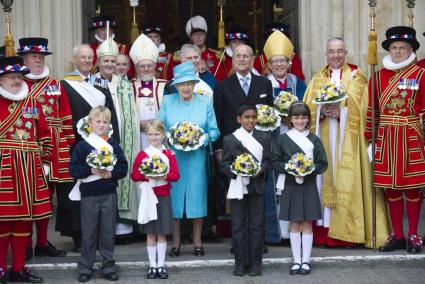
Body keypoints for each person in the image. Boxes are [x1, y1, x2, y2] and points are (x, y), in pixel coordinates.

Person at [303, 37, 389, 248]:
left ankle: (349, 231)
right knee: (324, 181)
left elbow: (366, 109)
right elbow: (306, 109)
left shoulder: (357, 77)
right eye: (331, 51)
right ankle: (323, 233)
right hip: (323, 139)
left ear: (346, 52)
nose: (335, 55)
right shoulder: (317, 79)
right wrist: (320, 111)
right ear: (326, 54)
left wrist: (341, 112)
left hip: (348, 142)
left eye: (340, 51)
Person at [365, 26, 425, 253]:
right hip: (387, 138)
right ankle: (398, 236)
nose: (398, 51)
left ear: (410, 49)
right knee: (390, 190)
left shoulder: (420, 74)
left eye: (402, 47)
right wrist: (370, 139)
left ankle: (413, 236)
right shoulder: (378, 77)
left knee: (412, 189)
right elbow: (372, 111)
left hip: (411, 137)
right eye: (394, 47)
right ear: (388, 50)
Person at [58, 44, 119, 252]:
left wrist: (113, 143)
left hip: (101, 143)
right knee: (78, 189)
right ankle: (78, 237)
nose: (86, 61)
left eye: (89, 57)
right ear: (74, 60)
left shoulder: (100, 84)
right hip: (76, 145)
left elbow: (110, 116)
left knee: (99, 188)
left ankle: (102, 238)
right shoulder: (64, 85)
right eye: (82, 57)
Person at [158, 61, 220, 257]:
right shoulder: (168, 101)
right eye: (181, 84)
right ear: (176, 85)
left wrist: (202, 139)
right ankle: (175, 242)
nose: (185, 87)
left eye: (189, 83)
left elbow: (215, 131)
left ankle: (197, 241)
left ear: (195, 84)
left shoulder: (205, 102)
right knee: (175, 199)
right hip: (174, 159)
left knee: (197, 199)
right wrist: (169, 138)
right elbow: (160, 128)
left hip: (196, 158)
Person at [18, 37, 71, 260]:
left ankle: (41, 242)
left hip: (54, 147)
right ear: (24, 59)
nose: (38, 60)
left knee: (45, 196)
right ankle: (25, 243)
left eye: (41, 57)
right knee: (26, 196)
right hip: (27, 147)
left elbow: (66, 114)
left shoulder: (55, 85)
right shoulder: (16, 84)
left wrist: (69, 144)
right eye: (34, 57)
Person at [0, 55, 52, 283]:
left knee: (24, 221)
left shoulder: (32, 102)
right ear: (1, 79)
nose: (16, 81)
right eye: (11, 76)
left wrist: (47, 163)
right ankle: (1, 268)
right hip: (4, 169)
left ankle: (19, 269)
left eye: (20, 76)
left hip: (30, 170)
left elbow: (44, 134)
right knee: (2, 221)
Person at [70, 106, 128, 282]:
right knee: (88, 231)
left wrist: (112, 173)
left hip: (108, 193)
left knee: (108, 231)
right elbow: (73, 169)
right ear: (90, 123)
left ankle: (108, 265)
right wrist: (91, 170)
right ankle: (85, 267)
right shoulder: (82, 146)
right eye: (98, 121)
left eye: (105, 122)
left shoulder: (113, 145)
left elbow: (123, 167)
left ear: (109, 124)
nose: (101, 125)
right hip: (89, 194)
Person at [263, 30, 307, 245]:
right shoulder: (262, 84)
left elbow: (307, 110)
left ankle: (292, 231)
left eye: (282, 60)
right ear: (268, 64)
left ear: (289, 62)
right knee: (274, 186)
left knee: (292, 183)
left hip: (294, 138)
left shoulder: (298, 83)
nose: (279, 64)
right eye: (274, 61)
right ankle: (274, 233)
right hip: (271, 140)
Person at [273, 102, 328, 275]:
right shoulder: (282, 139)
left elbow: (322, 164)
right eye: (296, 117)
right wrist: (290, 168)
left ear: (308, 119)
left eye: (304, 117)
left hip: (308, 185)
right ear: (290, 119)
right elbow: (275, 162)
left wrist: (309, 170)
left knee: (307, 223)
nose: (300, 121)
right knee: (294, 223)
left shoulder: (314, 139)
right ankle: (296, 261)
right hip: (290, 185)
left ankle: (306, 261)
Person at [96, 35, 140, 244]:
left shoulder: (125, 85)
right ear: (99, 62)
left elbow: (130, 114)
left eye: (115, 62)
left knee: (121, 179)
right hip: (100, 137)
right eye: (108, 61)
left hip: (122, 140)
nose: (112, 65)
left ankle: (122, 229)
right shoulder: (92, 83)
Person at [220, 104, 272, 277]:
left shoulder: (264, 137)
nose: (250, 120)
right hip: (238, 187)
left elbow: (268, 161)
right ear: (239, 119)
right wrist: (236, 171)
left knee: (257, 226)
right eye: (246, 117)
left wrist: (260, 169)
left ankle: (256, 263)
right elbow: (224, 164)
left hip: (257, 186)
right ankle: (240, 263)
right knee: (238, 225)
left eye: (253, 117)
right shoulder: (230, 139)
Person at [131, 120, 180, 279]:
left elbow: (175, 175)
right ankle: (152, 265)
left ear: (163, 134)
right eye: (150, 134)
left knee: (162, 232)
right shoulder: (143, 154)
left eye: (157, 134)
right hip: (148, 196)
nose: (154, 137)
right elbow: (134, 175)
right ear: (146, 135)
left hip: (163, 195)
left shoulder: (169, 154)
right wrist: (145, 175)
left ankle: (161, 265)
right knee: (151, 232)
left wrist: (163, 175)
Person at [130, 33, 167, 150]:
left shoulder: (166, 86)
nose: (146, 69)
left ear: (155, 66)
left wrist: (157, 124)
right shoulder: (128, 87)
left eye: (149, 66)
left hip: (160, 135)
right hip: (138, 137)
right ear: (136, 68)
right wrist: (137, 124)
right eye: (142, 66)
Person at [170, 15, 226, 80]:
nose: (198, 37)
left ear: (205, 36)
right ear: (190, 37)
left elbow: (221, 79)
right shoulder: (180, 56)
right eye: (195, 34)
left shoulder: (216, 55)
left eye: (201, 34)